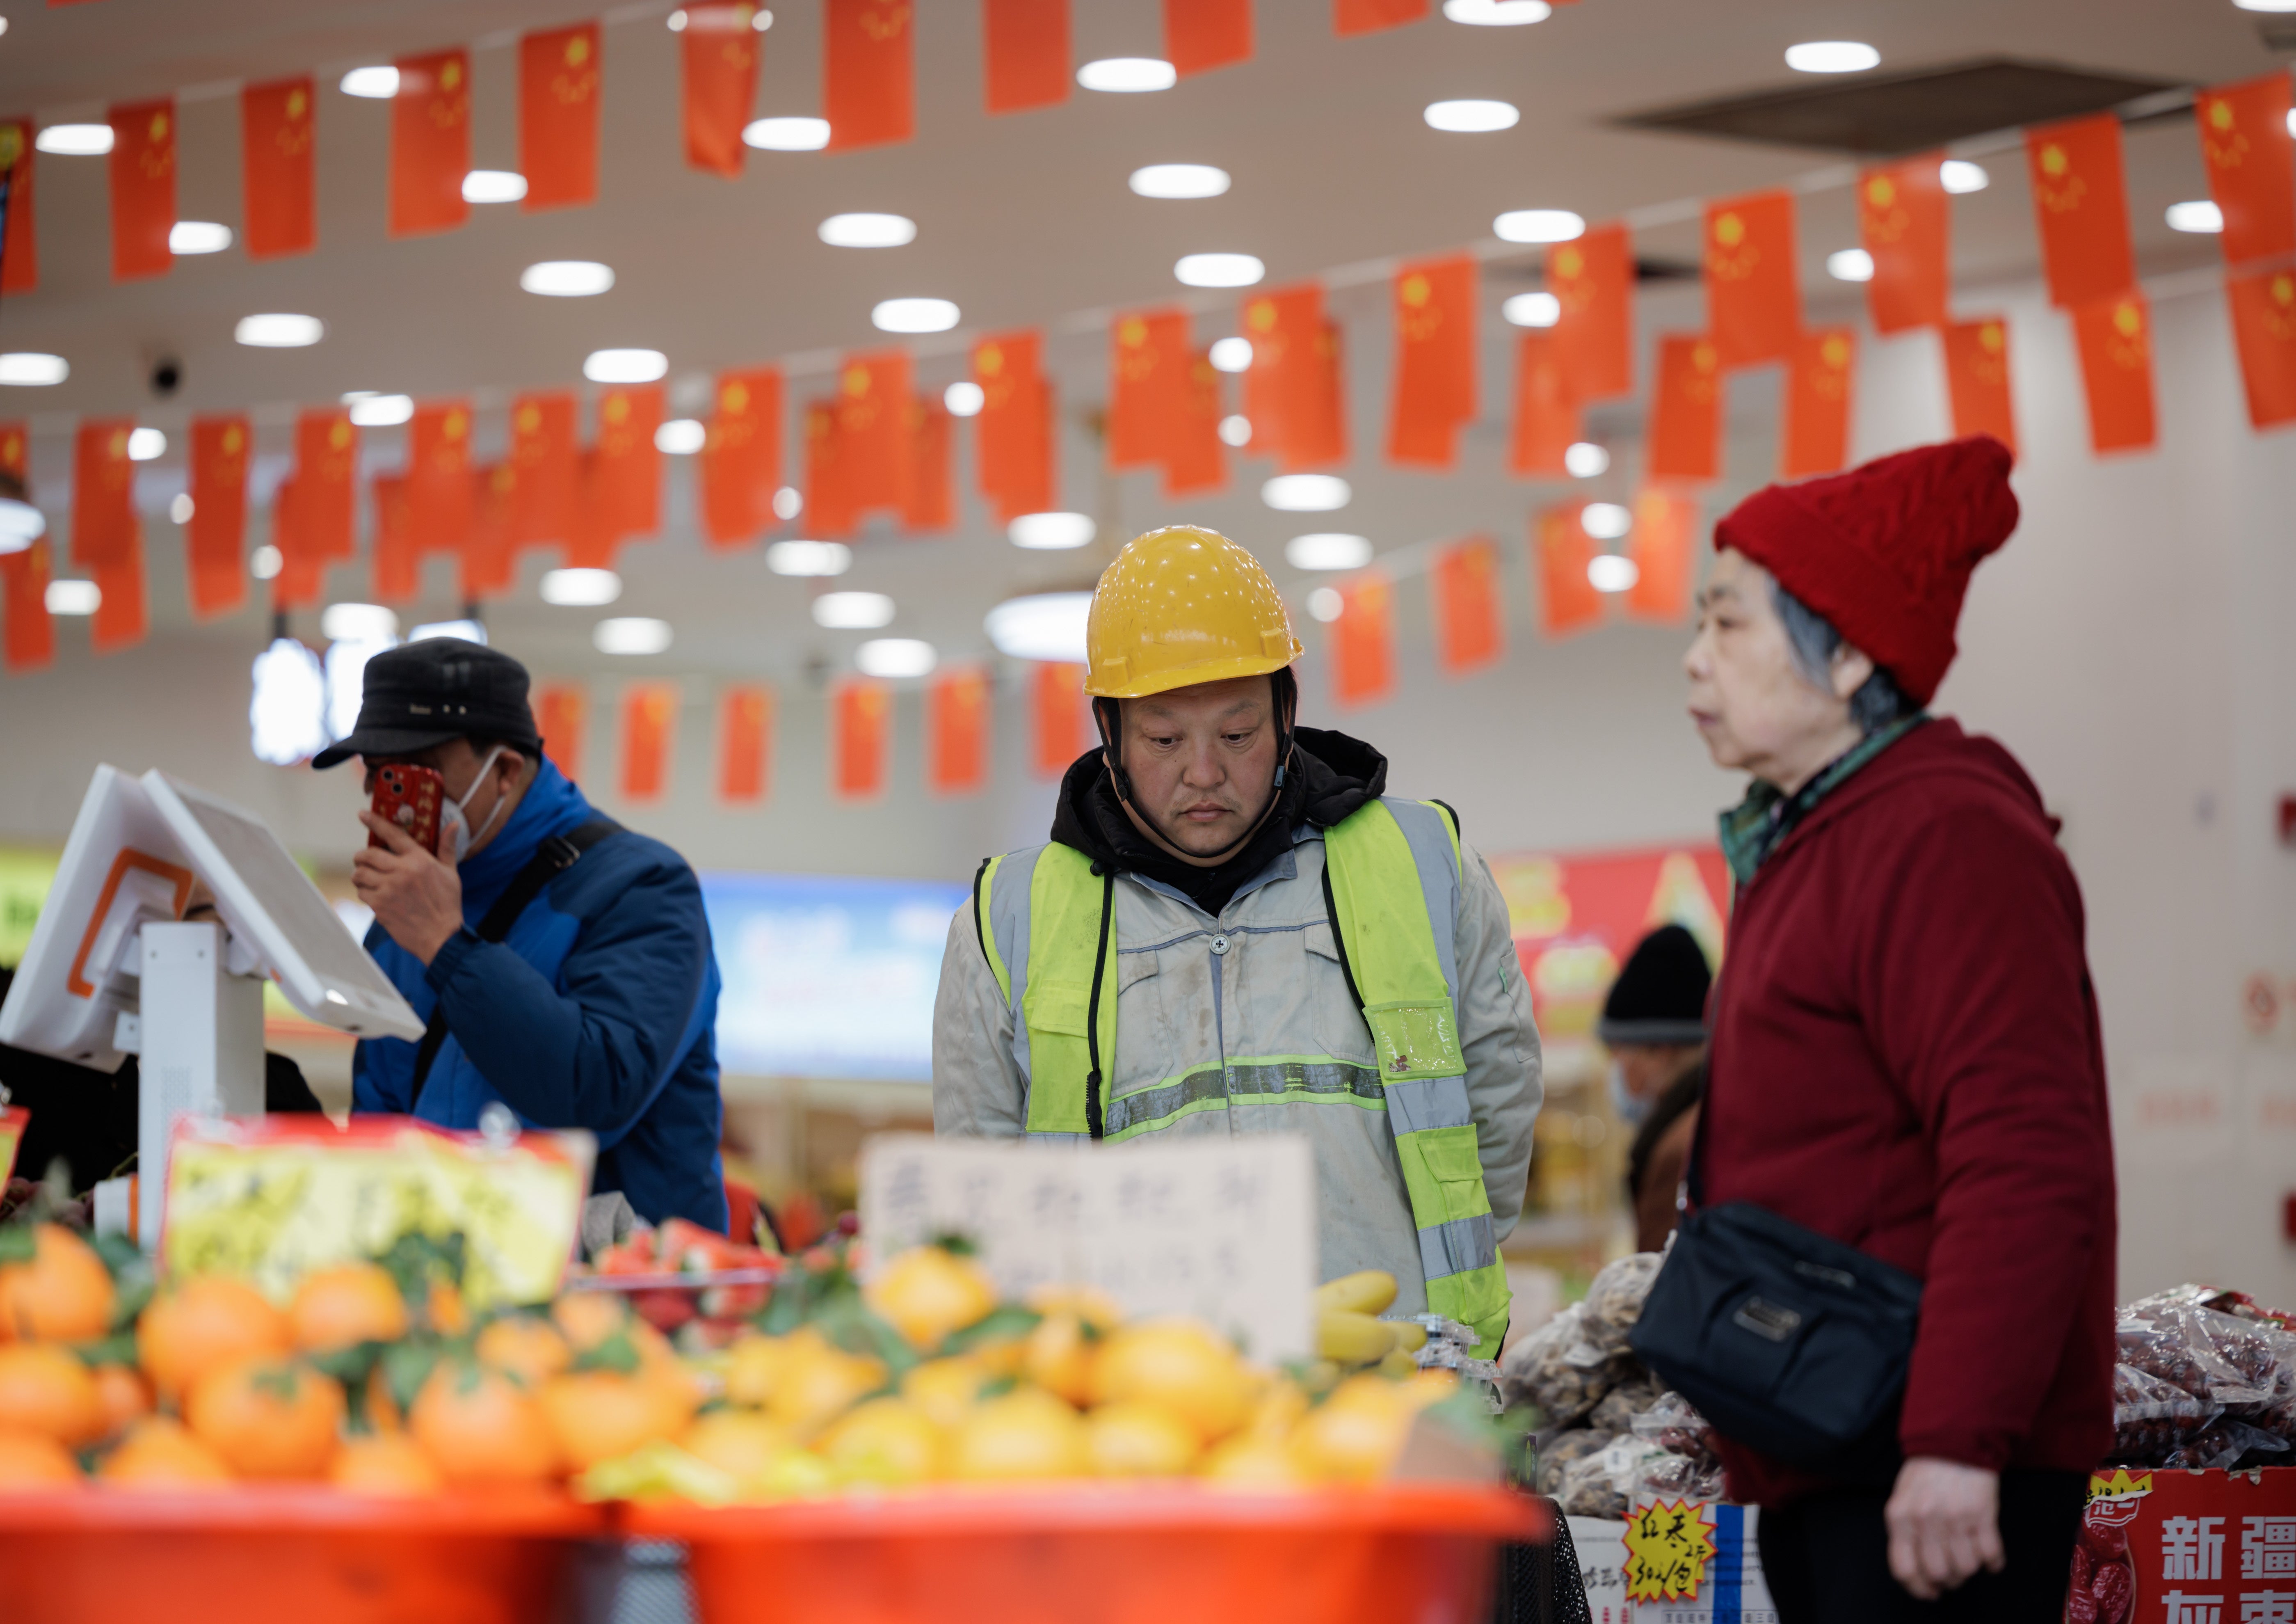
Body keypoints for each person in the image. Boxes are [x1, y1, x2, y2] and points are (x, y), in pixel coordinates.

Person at [1680, 436, 2113, 1620]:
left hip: (1920, 1454)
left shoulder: (1941, 833)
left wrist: (1956, 1439)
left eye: (1726, 625)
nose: (1692, 659)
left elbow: (2024, 1149)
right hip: (1828, 1431)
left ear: (1849, 650)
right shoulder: (1820, 829)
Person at [933, 526, 1542, 1353]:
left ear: (1285, 713)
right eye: (1162, 739)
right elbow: (983, 1194)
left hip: (1399, 1378)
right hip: (1136, 1407)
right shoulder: (1008, 914)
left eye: (1237, 732)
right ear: (1107, 733)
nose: (1203, 773)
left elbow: (1496, 1117)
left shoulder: (1423, 863)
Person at [319, 638, 729, 1231]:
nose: (393, 798)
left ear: (506, 770)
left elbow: (595, 1091)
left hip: (615, 1293)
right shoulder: (398, 924)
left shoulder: (643, 888)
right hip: (437, 1285)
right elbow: (379, 1117)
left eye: (417, 773)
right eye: (379, 775)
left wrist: (447, 946)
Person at [1597, 924, 1709, 1254]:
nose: (1616, 1070)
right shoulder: (1717, 1115)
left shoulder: (1678, 1149)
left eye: (1619, 1052)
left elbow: (1660, 1284)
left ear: (1660, 1051)